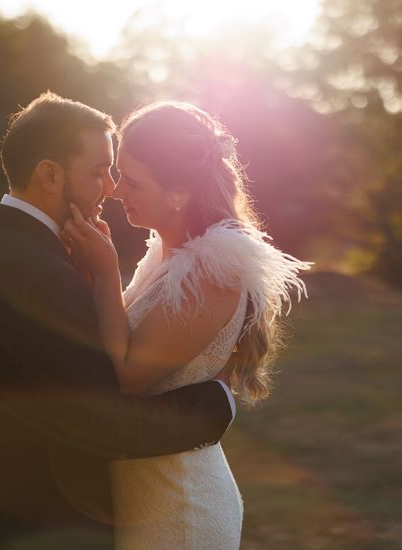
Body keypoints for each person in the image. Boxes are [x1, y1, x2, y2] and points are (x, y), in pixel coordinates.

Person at [0, 92, 237, 549]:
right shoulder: (37, 271)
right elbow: (103, 424)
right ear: (50, 174)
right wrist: (214, 405)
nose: (110, 188)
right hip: (39, 522)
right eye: (99, 171)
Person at [63, 101, 311, 549]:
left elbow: (128, 376)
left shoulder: (213, 272)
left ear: (179, 192)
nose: (117, 191)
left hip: (180, 508)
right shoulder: (164, 258)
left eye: (132, 181)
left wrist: (103, 272)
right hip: (145, 494)